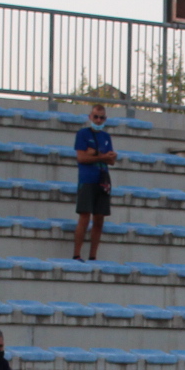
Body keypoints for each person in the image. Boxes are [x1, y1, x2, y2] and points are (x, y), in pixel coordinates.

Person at [72, 103, 118, 261]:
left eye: (101, 118)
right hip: (87, 179)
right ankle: (77, 254)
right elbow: (82, 157)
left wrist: (96, 154)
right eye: (96, 117)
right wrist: (102, 156)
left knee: (99, 218)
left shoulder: (106, 137)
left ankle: (93, 256)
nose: (98, 120)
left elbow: (111, 160)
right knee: (84, 216)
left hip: (102, 179)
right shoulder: (83, 134)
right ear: (90, 117)